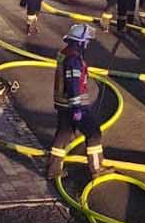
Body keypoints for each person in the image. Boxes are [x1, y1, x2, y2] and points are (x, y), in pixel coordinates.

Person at [47, 24, 109, 180]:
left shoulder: (65, 53)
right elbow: (73, 83)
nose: (87, 44)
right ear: (80, 42)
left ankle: (53, 170)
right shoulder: (73, 59)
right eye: (87, 41)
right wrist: (77, 108)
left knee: (64, 133)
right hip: (74, 105)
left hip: (62, 103)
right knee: (94, 133)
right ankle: (97, 168)